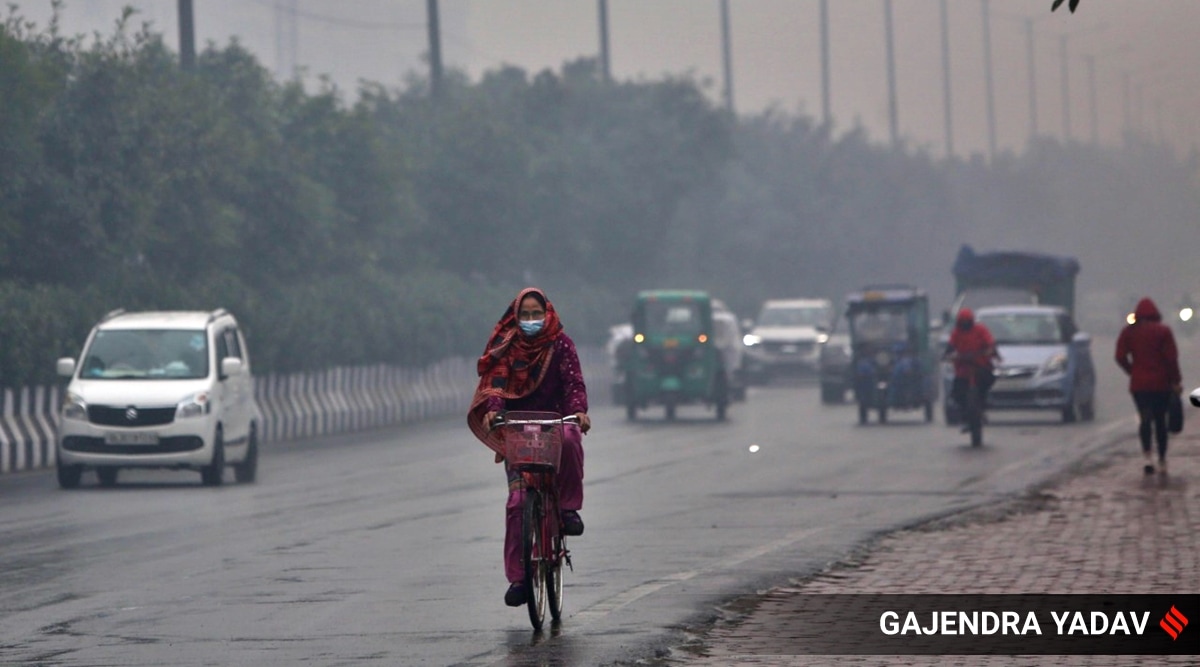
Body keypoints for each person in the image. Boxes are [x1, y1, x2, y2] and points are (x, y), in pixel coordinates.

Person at [467, 287, 592, 608]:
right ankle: (520, 579)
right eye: (526, 314)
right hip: (518, 429)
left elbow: (574, 382)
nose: (532, 320)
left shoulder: (561, 344)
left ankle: (567, 509)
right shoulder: (507, 347)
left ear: (547, 314)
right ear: (516, 316)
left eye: (537, 313)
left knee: (570, 438)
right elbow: (495, 383)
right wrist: (494, 408)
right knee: (518, 503)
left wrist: (578, 411)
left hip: (554, 423)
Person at [1115, 297, 1182, 476]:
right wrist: (1176, 381)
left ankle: (1147, 457)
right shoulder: (1164, 331)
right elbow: (1171, 359)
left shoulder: (1129, 332)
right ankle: (1162, 459)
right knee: (1160, 421)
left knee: (1144, 418)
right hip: (1161, 384)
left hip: (1139, 385)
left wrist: (1132, 371)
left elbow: (1120, 356)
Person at [943, 308, 999, 430]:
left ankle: (983, 402)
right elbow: (950, 348)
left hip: (980, 365)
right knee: (957, 391)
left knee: (987, 379)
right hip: (963, 368)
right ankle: (964, 413)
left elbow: (990, 343)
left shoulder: (980, 329)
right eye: (962, 322)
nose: (964, 325)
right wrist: (949, 355)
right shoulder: (956, 333)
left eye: (967, 322)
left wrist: (990, 351)